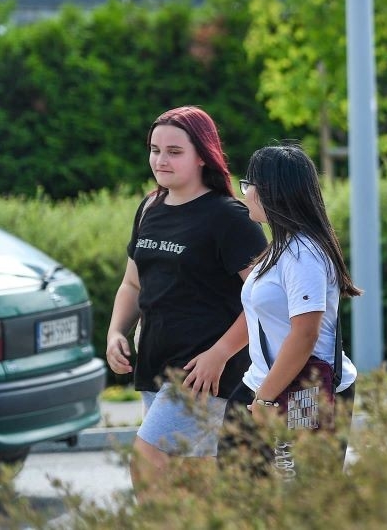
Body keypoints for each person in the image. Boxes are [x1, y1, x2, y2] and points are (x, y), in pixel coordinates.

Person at [105, 105, 268, 495]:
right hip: (155, 363)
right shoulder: (149, 208)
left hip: (201, 372)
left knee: (147, 462)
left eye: (174, 151)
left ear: (202, 156)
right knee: (192, 480)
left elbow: (266, 301)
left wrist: (220, 354)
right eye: (155, 149)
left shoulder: (230, 217)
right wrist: (115, 333)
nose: (160, 160)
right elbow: (132, 284)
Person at [224, 144, 361, 477]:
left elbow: (305, 334)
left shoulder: (303, 253)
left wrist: (265, 399)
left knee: (302, 496)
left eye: (248, 184)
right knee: (240, 487)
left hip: (303, 390)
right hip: (265, 385)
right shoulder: (282, 248)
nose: (245, 193)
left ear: (269, 191)